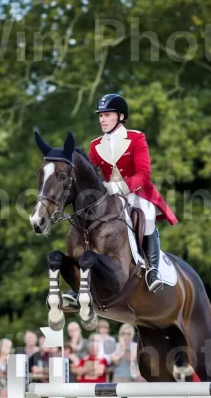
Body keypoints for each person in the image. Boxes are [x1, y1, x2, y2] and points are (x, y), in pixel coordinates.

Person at [62, 93, 178, 306]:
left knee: (148, 213)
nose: (102, 119)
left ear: (121, 116)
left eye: (107, 115)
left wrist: (118, 186)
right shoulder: (96, 144)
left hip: (135, 192)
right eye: (100, 116)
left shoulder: (136, 138)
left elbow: (144, 174)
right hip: (106, 197)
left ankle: (153, 268)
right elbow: (91, 173)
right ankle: (78, 286)